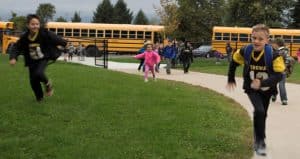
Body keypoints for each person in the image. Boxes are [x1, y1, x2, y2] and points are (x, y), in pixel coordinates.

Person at [226, 24, 285, 156]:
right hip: (251, 88)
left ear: (267, 40)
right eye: (254, 38)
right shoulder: (245, 51)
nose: (256, 41)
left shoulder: (274, 55)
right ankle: (260, 141)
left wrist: (262, 82)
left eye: (260, 39)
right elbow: (234, 62)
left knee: (262, 114)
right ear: (251, 37)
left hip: (267, 89)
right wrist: (231, 78)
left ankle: (258, 138)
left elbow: (279, 75)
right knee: (259, 110)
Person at [9, 14, 67, 102]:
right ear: (28, 25)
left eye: (37, 24)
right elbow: (17, 47)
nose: (35, 26)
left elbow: (54, 38)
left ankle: (48, 85)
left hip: (43, 58)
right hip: (31, 61)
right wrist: (13, 57)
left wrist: (64, 43)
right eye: (33, 24)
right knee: (33, 81)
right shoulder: (24, 37)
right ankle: (39, 98)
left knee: (39, 73)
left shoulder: (43, 33)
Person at [271, 38, 289, 105]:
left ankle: (283, 99)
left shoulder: (283, 51)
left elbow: (287, 59)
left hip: (280, 70)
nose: (272, 45)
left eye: (273, 43)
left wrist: (285, 67)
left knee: (280, 85)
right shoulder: (275, 50)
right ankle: (277, 96)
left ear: (277, 44)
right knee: (275, 84)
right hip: (277, 70)